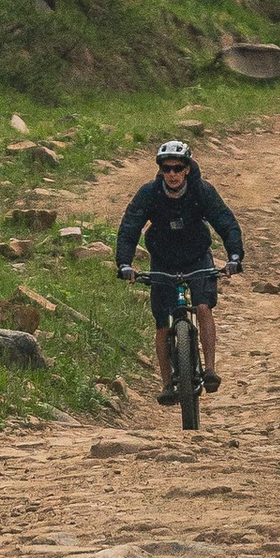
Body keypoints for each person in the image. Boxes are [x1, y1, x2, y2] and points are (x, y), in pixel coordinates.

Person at [114, 137, 243, 400]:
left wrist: (234, 256)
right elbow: (130, 227)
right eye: (166, 169)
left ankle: (210, 369)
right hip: (163, 260)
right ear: (161, 170)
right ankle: (167, 384)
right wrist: (124, 263)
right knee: (162, 324)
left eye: (177, 168)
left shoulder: (202, 191)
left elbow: (225, 221)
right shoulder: (149, 194)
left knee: (204, 307)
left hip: (197, 258)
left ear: (187, 168)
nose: (172, 174)